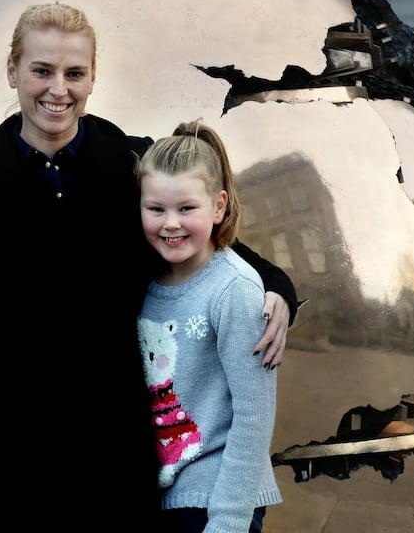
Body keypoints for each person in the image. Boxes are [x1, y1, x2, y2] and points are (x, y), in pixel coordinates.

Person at [0, 2, 296, 529]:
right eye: (41, 71)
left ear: (93, 78)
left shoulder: (127, 166)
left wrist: (277, 287)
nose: (58, 89)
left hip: (110, 467)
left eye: (74, 73)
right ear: (12, 71)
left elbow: (209, 238)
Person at [137, 120, 282, 532]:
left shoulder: (234, 290)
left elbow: (254, 417)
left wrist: (229, 521)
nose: (171, 223)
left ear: (218, 207)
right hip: (166, 498)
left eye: (187, 208)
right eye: (156, 209)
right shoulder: (145, 283)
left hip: (218, 502)